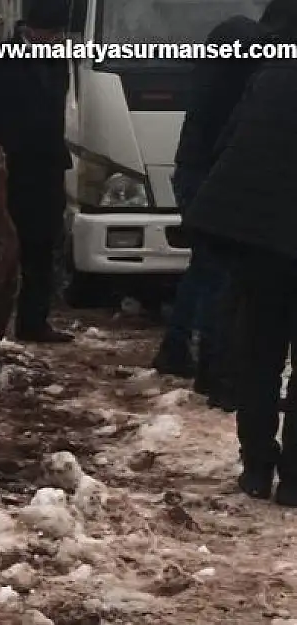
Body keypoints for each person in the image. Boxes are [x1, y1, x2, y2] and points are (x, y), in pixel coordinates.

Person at [182, 0, 297, 505]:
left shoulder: (269, 72)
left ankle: (256, 466)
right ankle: (294, 481)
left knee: (260, 352)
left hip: (260, 240)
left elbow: (228, 146)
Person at [151, 13, 268, 412]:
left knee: (205, 269)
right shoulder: (239, 84)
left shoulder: (211, 77)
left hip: (193, 177)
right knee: (219, 277)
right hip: (210, 180)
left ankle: (178, 348)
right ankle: (213, 370)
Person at [0, 0, 73, 343]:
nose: (54, 40)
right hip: (9, 169)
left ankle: (34, 323)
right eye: (51, 34)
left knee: (42, 249)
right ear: (31, 29)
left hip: (46, 168)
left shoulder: (56, 60)